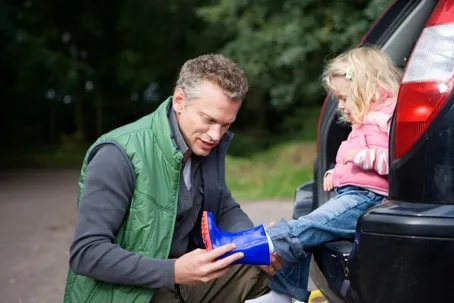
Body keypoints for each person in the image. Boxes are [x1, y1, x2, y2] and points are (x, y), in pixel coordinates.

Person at [62, 54, 282, 303]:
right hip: (128, 293)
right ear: (179, 101)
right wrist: (174, 271)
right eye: (208, 120)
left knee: (275, 269)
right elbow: (86, 254)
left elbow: (224, 209)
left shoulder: (203, 147)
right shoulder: (117, 154)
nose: (215, 135)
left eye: (226, 124)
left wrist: (257, 245)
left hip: (181, 283)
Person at [201, 46, 402, 303]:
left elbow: (392, 161)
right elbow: (352, 158)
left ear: (368, 90)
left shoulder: (385, 120)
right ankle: (283, 295)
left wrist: (360, 159)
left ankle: (237, 246)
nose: (340, 105)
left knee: (303, 229)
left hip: (367, 198)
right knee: (305, 240)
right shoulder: (365, 121)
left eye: (343, 97)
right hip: (354, 194)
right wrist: (337, 172)